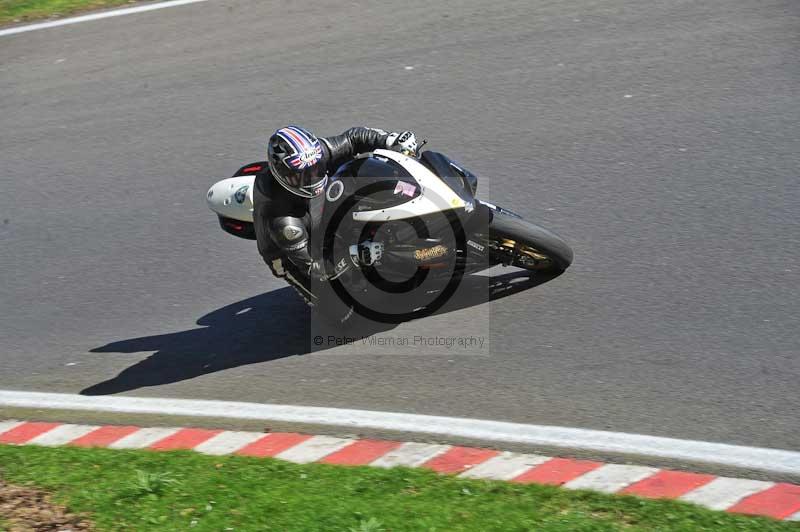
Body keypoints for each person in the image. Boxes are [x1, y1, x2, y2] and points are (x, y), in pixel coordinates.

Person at [252, 126, 418, 286]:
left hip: (316, 205)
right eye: (303, 175)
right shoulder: (281, 220)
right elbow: (314, 268)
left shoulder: (313, 154)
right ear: (284, 174)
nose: (313, 176)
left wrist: (390, 140)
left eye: (316, 167)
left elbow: (353, 138)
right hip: (289, 252)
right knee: (336, 308)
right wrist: (354, 255)